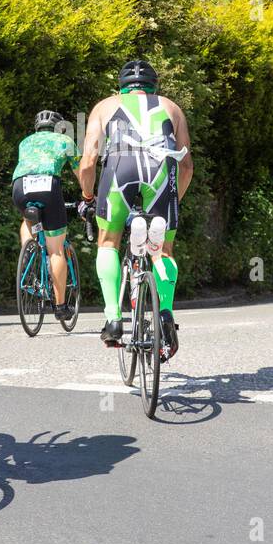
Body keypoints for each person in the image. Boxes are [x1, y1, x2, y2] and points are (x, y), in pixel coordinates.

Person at [78, 59, 193, 357]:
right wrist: (173, 201)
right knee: (163, 251)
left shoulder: (105, 105)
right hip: (161, 168)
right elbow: (187, 165)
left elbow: (89, 160)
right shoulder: (171, 107)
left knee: (108, 242)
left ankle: (114, 318)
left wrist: (88, 198)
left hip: (120, 166)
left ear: (121, 86)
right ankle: (165, 313)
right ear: (154, 86)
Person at [12, 110, 80, 320]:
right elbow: (81, 171)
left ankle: (28, 252)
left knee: (27, 218)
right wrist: (88, 196)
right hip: (48, 186)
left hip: (20, 187)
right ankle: (60, 306)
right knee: (56, 250)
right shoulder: (65, 140)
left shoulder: (25, 142)